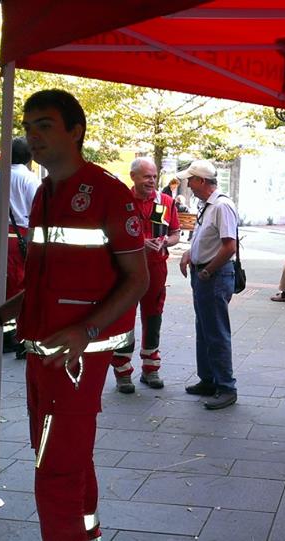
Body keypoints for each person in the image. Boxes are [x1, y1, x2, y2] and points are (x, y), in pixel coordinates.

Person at [0, 89, 149, 541]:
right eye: (28, 127)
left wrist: (86, 328)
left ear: (75, 131)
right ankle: (88, 533)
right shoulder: (44, 193)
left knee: (55, 469)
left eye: (44, 125)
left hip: (77, 359)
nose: (32, 137)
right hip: (42, 354)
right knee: (67, 457)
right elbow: (38, 286)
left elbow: (137, 280)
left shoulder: (108, 194)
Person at [111, 157, 180, 393]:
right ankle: (122, 372)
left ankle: (151, 368)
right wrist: (141, 242)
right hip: (127, 270)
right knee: (125, 319)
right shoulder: (120, 201)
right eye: (146, 176)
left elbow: (175, 234)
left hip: (156, 268)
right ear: (133, 177)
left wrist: (165, 242)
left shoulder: (166, 202)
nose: (151, 181)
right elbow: (112, 235)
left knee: (153, 317)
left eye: (153, 176)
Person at [178, 159, 239, 410]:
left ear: (202, 181)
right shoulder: (209, 206)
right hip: (204, 273)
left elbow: (229, 246)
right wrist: (190, 255)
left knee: (215, 331)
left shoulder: (221, 206)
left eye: (191, 180)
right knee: (204, 329)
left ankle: (226, 386)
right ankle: (209, 379)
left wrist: (208, 270)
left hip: (212, 276)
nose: (189, 185)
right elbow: (207, 240)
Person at [0, 136, 41, 359]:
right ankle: (19, 337)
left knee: (2, 283)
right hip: (21, 236)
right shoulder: (29, 179)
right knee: (21, 284)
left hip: (0, 235)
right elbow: (36, 212)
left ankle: (5, 334)